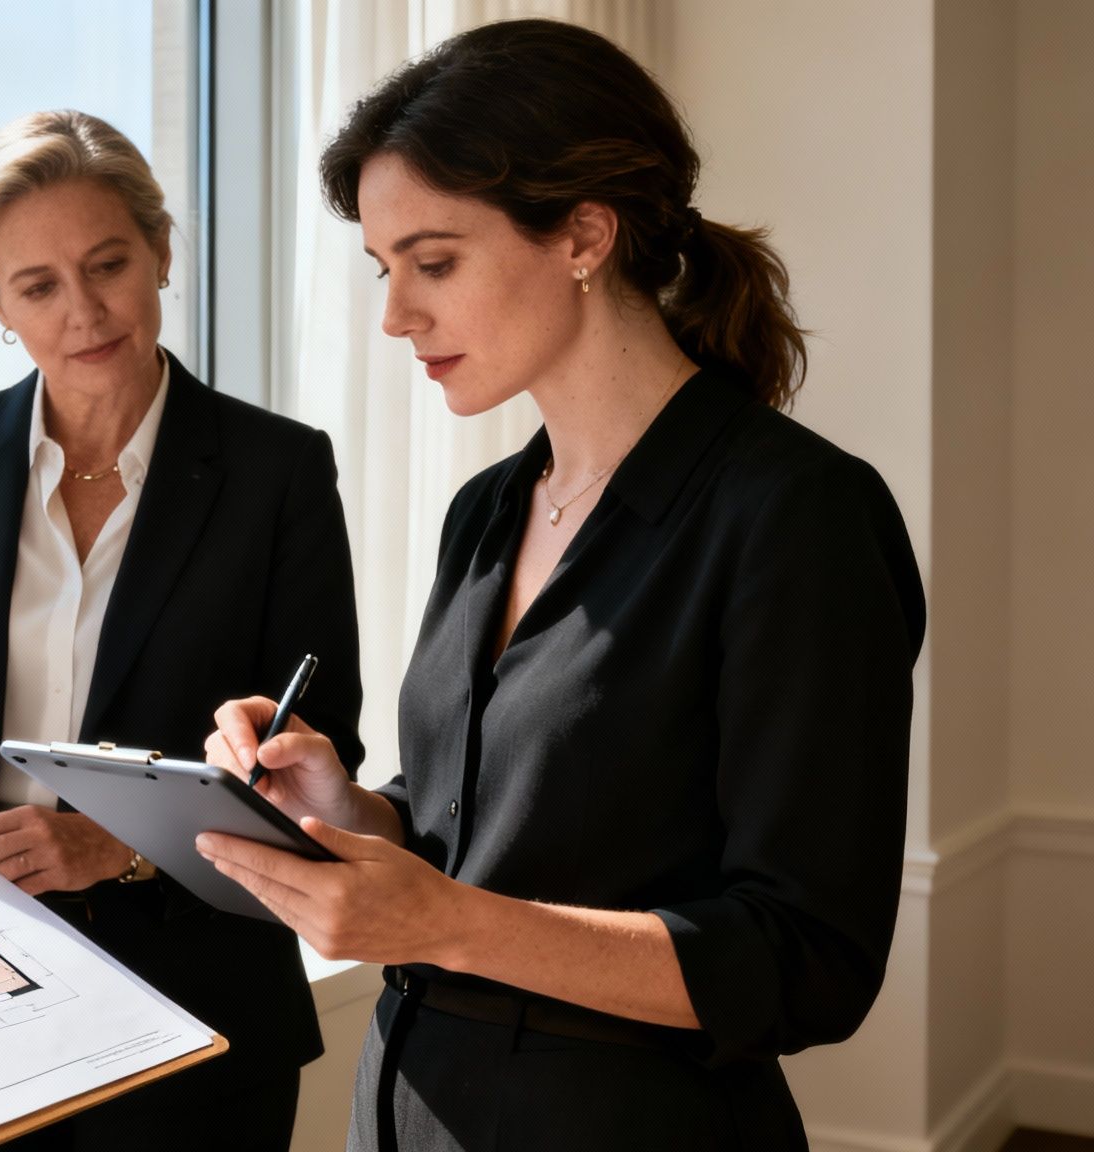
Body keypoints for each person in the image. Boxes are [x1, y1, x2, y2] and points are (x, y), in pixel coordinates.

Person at [194, 20, 926, 1152]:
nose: (393, 316)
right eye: (384, 270)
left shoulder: (795, 517)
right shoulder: (484, 512)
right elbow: (489, 836)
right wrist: (352, 813)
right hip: (405, 1115)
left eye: (433, 262)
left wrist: (442, 921)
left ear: (584, 233)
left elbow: (804, 964)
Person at [0, 109, 364, 1150]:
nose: (83, 311)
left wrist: (116, 846)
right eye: (37, 286)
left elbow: (312, 738)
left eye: (108, 264)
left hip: (197, 1005)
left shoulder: (276, 471)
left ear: (158, 251)